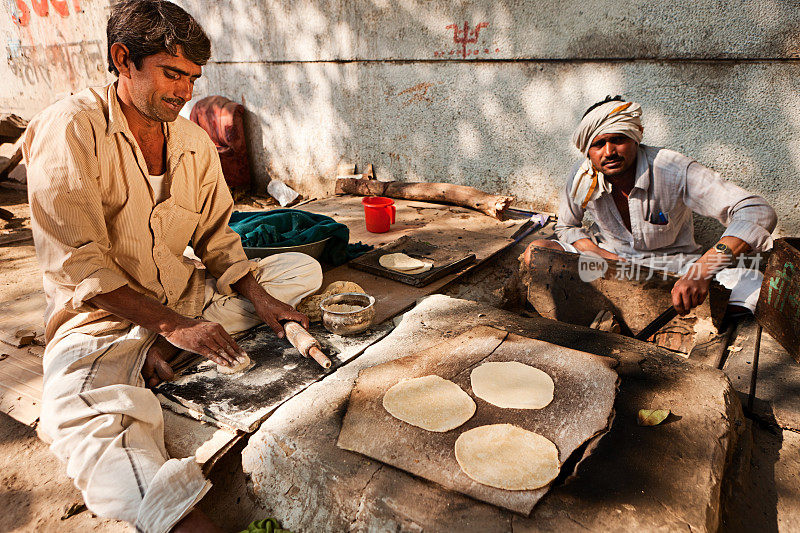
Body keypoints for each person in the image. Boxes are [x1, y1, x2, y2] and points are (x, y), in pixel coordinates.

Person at [23, 1, 322, 531]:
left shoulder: (190, 142)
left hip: (183, 296)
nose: (185, 92)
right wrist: (170, 324)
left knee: (298, 272)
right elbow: (78, 264)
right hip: (103, 320)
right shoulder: (71, 129)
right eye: (172, 73)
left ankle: (164, 351)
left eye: (192, 78)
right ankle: (175, 514)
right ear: (124, 59)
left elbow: (216, 238)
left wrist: (257, 296)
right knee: (79, 420)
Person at [522, 95, 777, 316]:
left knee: (756, 287)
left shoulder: (671, 168)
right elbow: (567, 226)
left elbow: (756, 210)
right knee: (537, 250)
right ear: (588, 150)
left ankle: (680, 307)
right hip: (607, 266)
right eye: (598, 144)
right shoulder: (582, 177)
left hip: (673, 270)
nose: (609, 152)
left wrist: (703, 269)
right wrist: (605, 256)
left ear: (636, 137)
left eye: (618, 140)